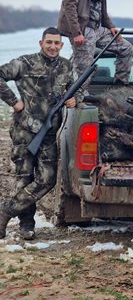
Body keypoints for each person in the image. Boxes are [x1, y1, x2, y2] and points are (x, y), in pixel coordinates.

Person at [0, 27, 82, 240]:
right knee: (23, 178)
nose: (53, 46)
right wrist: (14, 102)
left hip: (48, 134)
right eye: (49, 42)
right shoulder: (25, 63)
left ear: (62, 45)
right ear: (41, 43)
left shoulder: (67, 66)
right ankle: (27, 226)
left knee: (47, 179)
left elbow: (78, 89)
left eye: (57, 43)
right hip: (24, 131)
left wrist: (76, 100)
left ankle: (6, 211)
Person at [57, 0, 133, 89]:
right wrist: (76, 33)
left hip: (98, 28)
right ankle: (79, 97)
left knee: (126, 48)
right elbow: (69, 4)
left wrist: (110, 26)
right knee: (84, 68)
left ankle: (119, 87)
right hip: (82, 30)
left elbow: (101, 7)